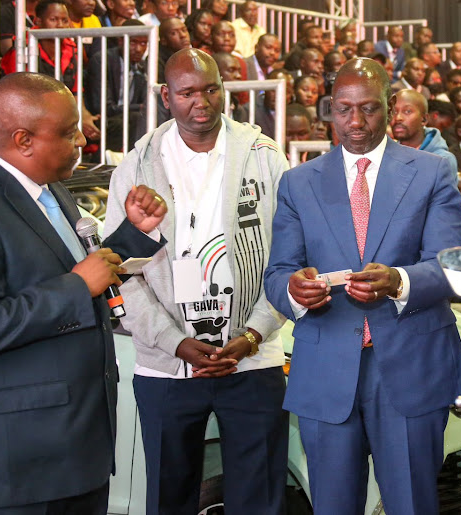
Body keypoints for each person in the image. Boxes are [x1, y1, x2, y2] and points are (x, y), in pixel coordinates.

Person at [0, 72, 167, 514]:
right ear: (24, 140)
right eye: (68, 132)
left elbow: (68, 270)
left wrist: (130, 238)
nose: (82, 141)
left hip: (74, 453)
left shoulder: (50, 189)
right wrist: (76, 287)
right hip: (15, 467)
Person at [264, 57, 461, 515]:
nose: (355, 122)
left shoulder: (432, 171)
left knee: (412, 506)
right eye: (343, 110)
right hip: (326, 372)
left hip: (409, 368)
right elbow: (278, 273)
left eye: (369, 109)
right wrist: (295, 292)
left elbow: (451, 267)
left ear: (392, 106)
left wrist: (399, 281)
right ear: (329, 110)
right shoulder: (298, 183)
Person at [103, 49, 289, 515]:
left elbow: (288, 258)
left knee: (260, 494)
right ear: (167, 96)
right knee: (169, 495)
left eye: (211, 89)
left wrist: (253, 334)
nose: (201, 102)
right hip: (166, 365)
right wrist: (174, 342)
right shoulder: (136, 165)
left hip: (252, 358)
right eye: (187, 92)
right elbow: (117, 270)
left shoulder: (265, 158)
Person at [86, 18, 148, 151]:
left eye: (143, 43)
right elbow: (101, 106)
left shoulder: (143, 66)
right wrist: (139, 106)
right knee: (136, 118)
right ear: (121, 40)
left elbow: (144, 103)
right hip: (103, 119)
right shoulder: (102, 60)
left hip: (129, 118)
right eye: (133, 42)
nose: (139, 49)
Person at [390, 88, 457, 175]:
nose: (398, 117)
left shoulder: (442, 160)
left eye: (407, 111)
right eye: (394, 112)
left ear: (424, 119)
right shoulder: (385, 155)